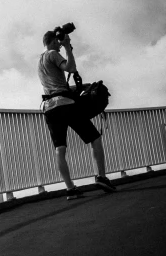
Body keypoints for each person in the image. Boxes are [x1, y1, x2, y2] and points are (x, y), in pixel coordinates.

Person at [38, 30, 116, 199]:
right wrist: (67, 47)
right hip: (65, 105)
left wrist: (80, 87)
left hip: (49, 107)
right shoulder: (53, 53)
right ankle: (101, 177)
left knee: (60, 149)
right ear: (52, 42)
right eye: (58, 42)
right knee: (95, 138)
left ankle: (70, 189)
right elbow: (71, 68)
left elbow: (55, 87)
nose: (59, 45)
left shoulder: (40, 61)